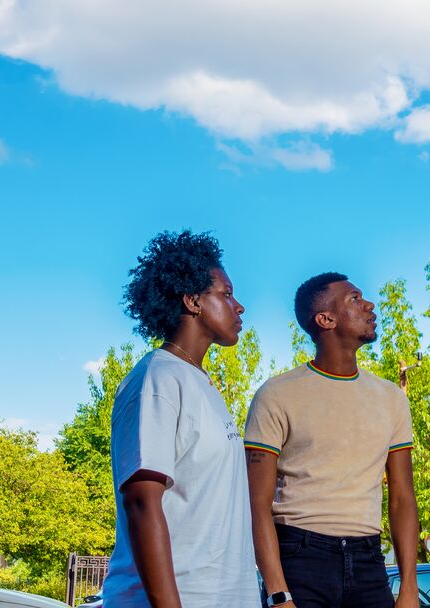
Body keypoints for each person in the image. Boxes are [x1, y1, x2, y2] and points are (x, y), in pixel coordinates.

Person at [104, 230, 260, 608]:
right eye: (225, 294)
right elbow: (141, 501)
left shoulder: (198, 381)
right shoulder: (157, 378)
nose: (239, 306)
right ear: (192, 301)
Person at [244, 272, 419, 608]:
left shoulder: (391, 398)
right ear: (325, 319)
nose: (369, 305)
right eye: (354, 299)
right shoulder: (276, 395)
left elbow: (402, 499)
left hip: (369, 561)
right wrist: (278, 593)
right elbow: (256, 505)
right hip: (300, 560)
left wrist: (409, 588)